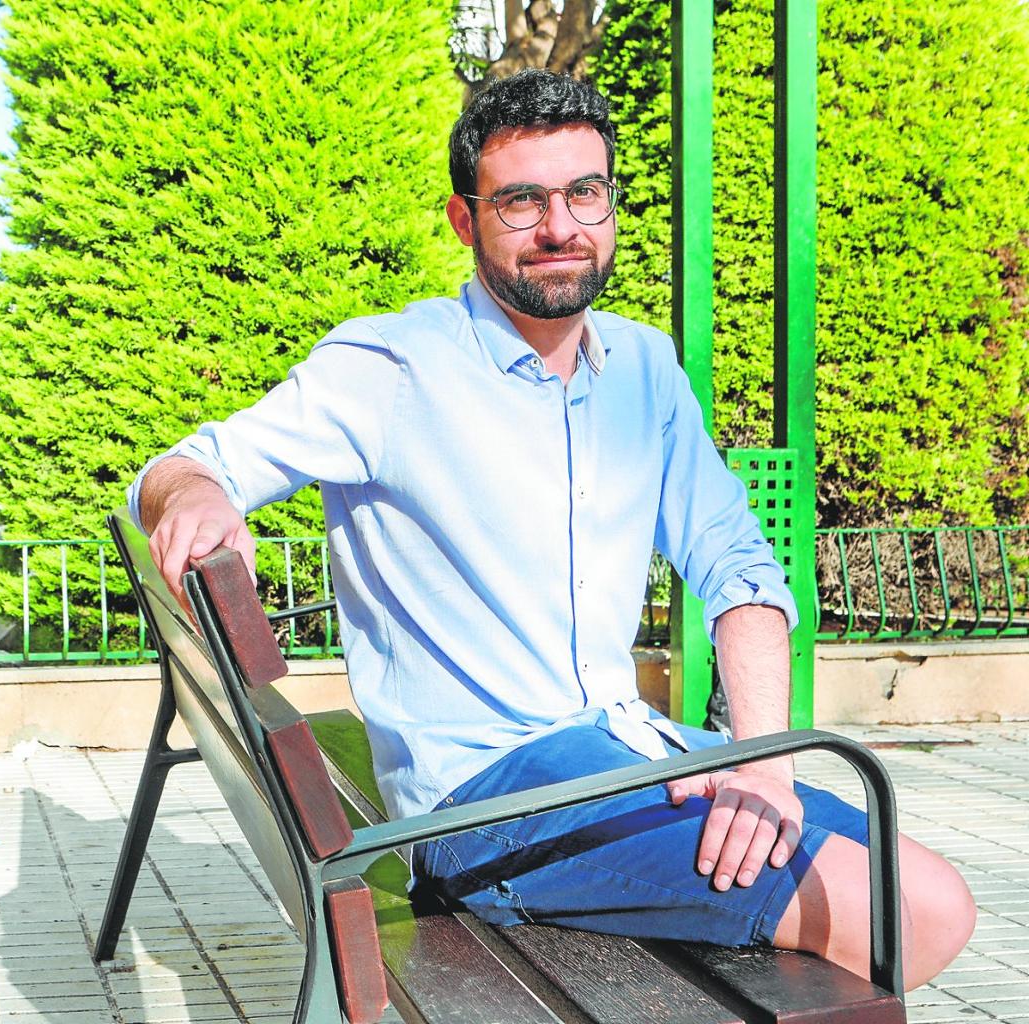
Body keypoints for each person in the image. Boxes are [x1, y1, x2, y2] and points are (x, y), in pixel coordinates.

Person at [129, 69, 974, 987]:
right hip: (478, 803)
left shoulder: (645, 368)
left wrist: (761, 762)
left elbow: (739, 567)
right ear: (466, 221)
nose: (561, 226)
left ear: (611, 204)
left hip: (627, 751)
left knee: (913, 882)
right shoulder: (392, 366)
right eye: (522, 201)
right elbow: (184, 465)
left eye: (585, 192)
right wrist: (195, 497)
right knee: (909, 910)